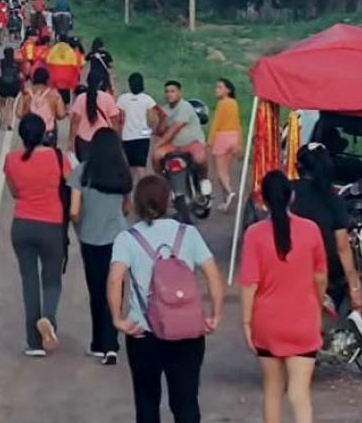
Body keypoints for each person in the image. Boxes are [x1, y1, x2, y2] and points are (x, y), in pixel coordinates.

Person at [107, 175, 225, 423]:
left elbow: (115, 279)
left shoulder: (127, 238)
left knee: (147, 402)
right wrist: (215, 314)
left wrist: (117, 318)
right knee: (186, 402)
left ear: (138, 204)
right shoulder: (188, 233)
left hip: (143, 331)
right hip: (187, 331)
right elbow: (213, 275)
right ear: (168, 200)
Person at [239, 170, 328, 423]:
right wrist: (318, 304)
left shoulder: (254, 234)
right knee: (300, 394)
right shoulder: (311, 230)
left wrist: (246, 322)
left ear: (263, 201)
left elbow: (249, 283)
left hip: (268, 323)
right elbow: (320, 277)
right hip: (303, 321)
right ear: (291, 196)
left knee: (272, 391)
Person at [4, 114, 71, 357]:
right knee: (52, 280)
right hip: (51, 224)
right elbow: (71, 185)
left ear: (21, 134)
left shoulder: (11, 159)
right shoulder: (57, 157)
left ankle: (34, 343)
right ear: (45, 133)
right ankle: (48, 319)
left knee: (29, 282)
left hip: (22, 224)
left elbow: (14, 192)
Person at [68, 128, 133, 366]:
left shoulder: (81, 171)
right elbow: (127, 207)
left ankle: (98, 343)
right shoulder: (122, 172)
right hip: (117, 237)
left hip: (90, 237)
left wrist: (80, 227)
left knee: (96, 291)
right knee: (115, 287)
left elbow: (74, 211)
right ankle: (111, 343)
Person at [291, 143, 362, 312]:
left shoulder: (288, 191)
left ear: (298, 166)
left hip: (287, 267)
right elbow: (343, 248)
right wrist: (354, 285)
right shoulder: (334, 200)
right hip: (325, 274)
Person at [153, 81, 212, 197]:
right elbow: (160, 131)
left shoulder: (185, 106)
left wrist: (159, 143)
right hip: (174, 145)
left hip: (191, 143)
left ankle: (204, 180)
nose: (169, 94)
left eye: (172, 91)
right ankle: (162, 182)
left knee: (200, 159)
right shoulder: (165, 109)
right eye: (167, 92)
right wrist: (162, 118)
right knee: (156, 156)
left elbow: (175, 128)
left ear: (179, 93)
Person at [117, 73, 159, 183]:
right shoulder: (147, 99)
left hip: (127, 136)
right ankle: (142, 188)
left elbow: (120, 119)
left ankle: (130, 190)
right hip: (143, 136)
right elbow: (152, 119)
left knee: (130, 166)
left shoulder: (122, 99)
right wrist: (151, 131)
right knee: (141, 165)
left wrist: (119, 134)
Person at [207, 78, 242, 211]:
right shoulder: (234, 103)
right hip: (233, 136)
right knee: (226, 171)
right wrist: (239, 142)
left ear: (228, 90)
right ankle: (226, 200)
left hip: (222, 137)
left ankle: (229, 192)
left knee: (220, 172)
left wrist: (210, 142)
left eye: (220, 87)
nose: (217, 90)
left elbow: (216, 123)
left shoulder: (222, 104)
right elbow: (238, 123)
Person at [70, 77, 120, 162]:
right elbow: (115, 121)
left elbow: (75, 122)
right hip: (103, 139)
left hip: (83, 140)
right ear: (100, 83)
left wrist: (71, 141)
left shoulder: (81, 98)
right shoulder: (108, 98)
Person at [17, 67, 67, 146]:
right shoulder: (54, 94)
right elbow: (61, 114)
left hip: (30, 130)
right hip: (49, 130)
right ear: (47, 79)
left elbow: (19, 113)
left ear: (33, 79)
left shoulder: (26, 93)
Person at [0, 47, 24, 131]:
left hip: (3, 85)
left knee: (2, 104)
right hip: (13, 85)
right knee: (11, 105)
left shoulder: (1, 62)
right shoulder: (17, 63)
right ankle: (9, 122)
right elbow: (21, 75)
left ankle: (3, 119)